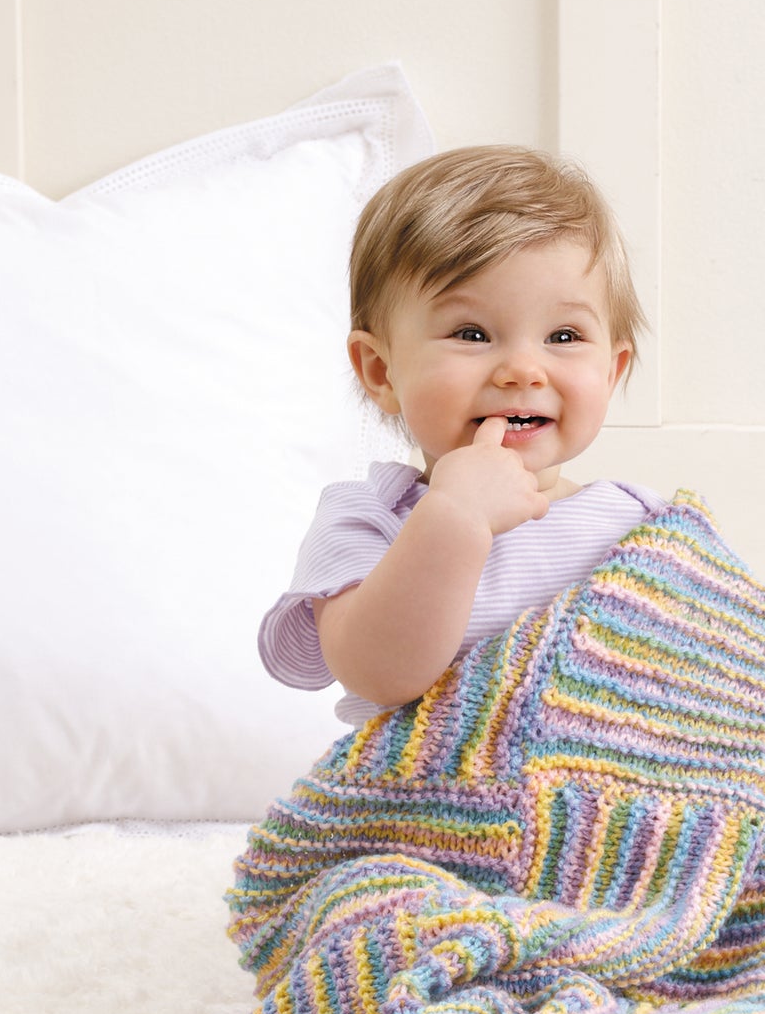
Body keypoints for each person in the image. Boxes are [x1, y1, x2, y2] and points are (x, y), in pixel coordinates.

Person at [258, 145, 663, 726]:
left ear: (611, 371)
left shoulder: (643, 527)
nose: (523, 370)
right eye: (472, 334)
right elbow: (378, 673)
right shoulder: (368, 523)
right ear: (382, 371)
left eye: (564, 336)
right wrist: (455, 518)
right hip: (432, 783)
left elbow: (725, 678)